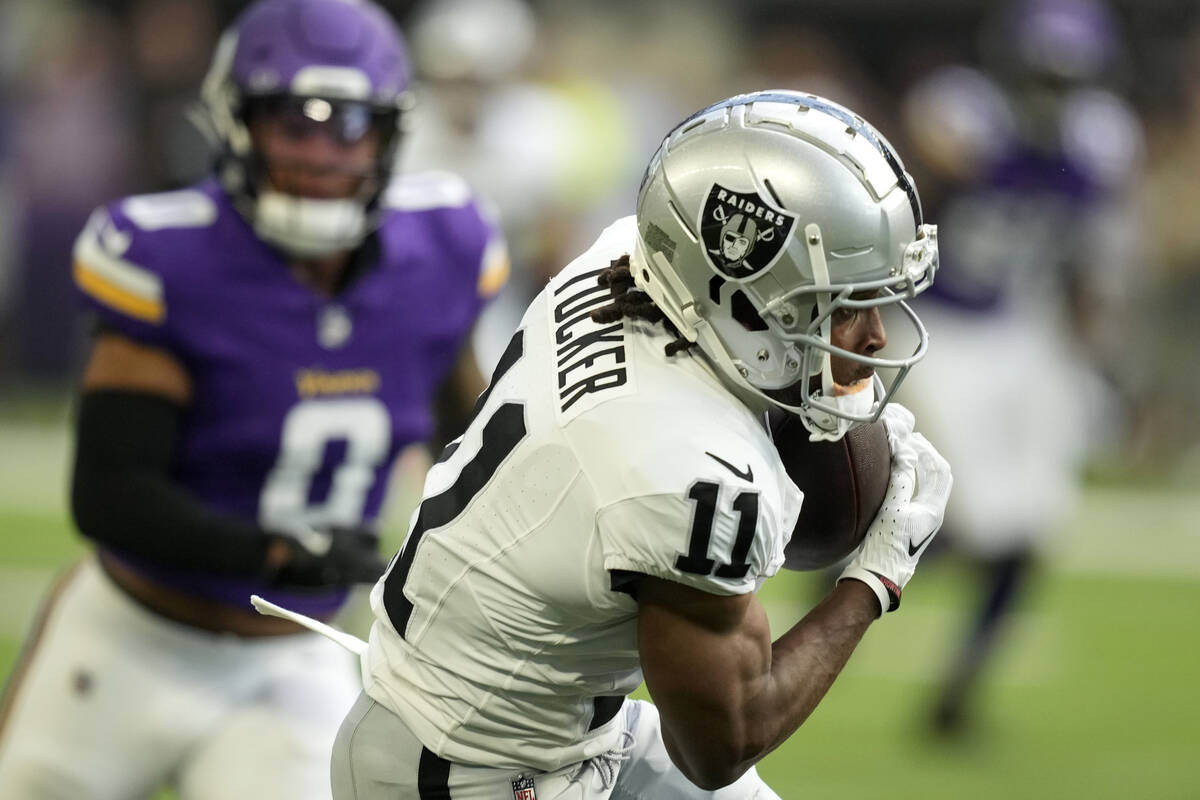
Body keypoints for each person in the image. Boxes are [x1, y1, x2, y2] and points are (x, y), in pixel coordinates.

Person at [310, 90, 952, 799]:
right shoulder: (690, 477)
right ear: (749, 292)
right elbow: (722, 744)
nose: (877, 334)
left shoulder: (630, 256)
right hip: (468, 771)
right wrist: (875, 578)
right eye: (846, 303)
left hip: (544, 719)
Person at [0, 0, 507, 797]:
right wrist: (275, 553)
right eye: (291, 122)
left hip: (293, 652)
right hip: (131, 635)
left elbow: (474, 439)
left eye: (347, 126)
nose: (318, 152)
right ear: (236, 125)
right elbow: (110, 493)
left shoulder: (443, 249)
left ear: (389, 136)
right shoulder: (171, 258)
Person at [896, 0, 1144, 736]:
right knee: (973, 521)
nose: (1050, 92)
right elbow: (925, 159)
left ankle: (957, 695)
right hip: (941, 326)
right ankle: (853, 563)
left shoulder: (1101, 140)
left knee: (1028, 529)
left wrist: (1091, 350)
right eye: (1040, 74)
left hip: (1023, 334)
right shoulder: (962, 110)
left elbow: (1087, 257)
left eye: (1066, 79)